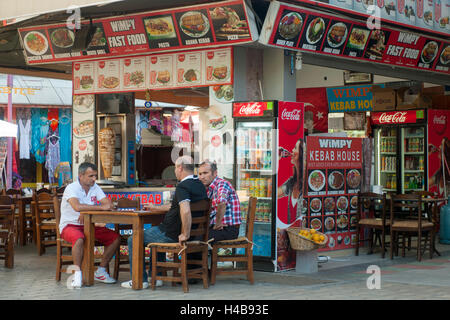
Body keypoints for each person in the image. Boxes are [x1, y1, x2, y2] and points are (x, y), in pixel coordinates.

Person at [121, 155, 208, 289]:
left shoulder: (183, 186)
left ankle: (140, 280)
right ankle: (156, 277)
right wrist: (155, 207)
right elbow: (177, 207)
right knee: (156, 231)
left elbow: (185, 211)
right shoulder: (199, 185)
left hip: (171, 233)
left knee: (134, 239)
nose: (175, 171)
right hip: (185, 232)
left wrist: (185, 234)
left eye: (175, 168)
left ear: (180, 168)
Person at [59, 162, 120, 289]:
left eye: (95, 176)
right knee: (79, 238)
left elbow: (108, 204)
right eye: (91, 176)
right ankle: (77, 274)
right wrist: (94, 209)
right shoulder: (71, 188)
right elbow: (77, 206)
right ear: (81, 176)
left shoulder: (95, 187)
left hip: (90, 225)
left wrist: (87, 211)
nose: (94, 179)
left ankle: (101, 271)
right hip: (70, 225)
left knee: (115, 238)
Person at [198, 159, 241, 243]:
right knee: (193, 238)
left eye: (205, 173)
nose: (202, 177)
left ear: (215, 173)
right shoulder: (209, 188)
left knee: (196, 241)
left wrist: (217, 223)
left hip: (228, 229)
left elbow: (222, 202)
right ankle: (206, 255)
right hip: (218, 228)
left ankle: (204, 255)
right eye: (200, 174)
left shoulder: (222, 184)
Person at [277, 138, 305, 224]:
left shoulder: (307, 182)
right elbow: (274, 194)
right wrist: (275, 161)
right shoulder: (292, 183)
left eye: (295, 148)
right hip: (291, 234)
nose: (292, 150)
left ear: (302, 154)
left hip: (303, 234)